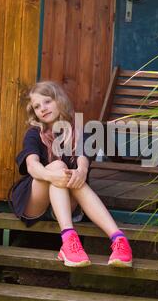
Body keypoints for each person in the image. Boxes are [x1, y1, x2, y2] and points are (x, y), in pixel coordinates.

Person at [8, 81, 133, 268]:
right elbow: (32, 166)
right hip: (36, 202)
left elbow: (83, 162)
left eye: (47, 102)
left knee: (76, 177)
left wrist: (80, 172)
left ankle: (119, 240)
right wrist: (53, 176)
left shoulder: (79, 131)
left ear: (59, 100)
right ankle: (69, 239)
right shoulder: (35, 133)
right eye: (36, 106)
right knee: (58, 166)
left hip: (67, 203)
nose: (42, 109)